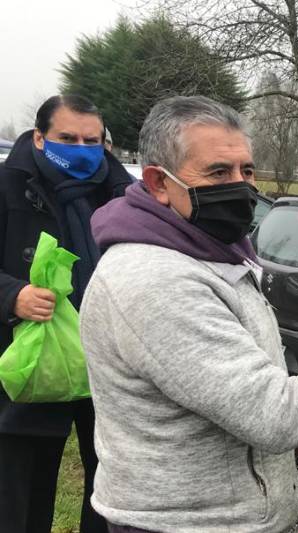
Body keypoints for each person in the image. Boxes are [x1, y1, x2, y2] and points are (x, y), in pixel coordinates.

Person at [78, 96, 298, 533]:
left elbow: (241, 395)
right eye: (218, 172)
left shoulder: (211, 250)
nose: (241, 186)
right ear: (159, 182)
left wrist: (286, 435)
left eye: (246, 171)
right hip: (187, 523)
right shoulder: (156, 279)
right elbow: (273, 415)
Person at [0, 94, 132, 533]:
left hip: (106, 359)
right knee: (23, 487)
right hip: (37, 358)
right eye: (67, 138)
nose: (80, 148)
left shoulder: (123, 197)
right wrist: (12, 295)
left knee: (110, 486)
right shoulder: (7, 186)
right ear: (39, 138)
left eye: (90, 140)